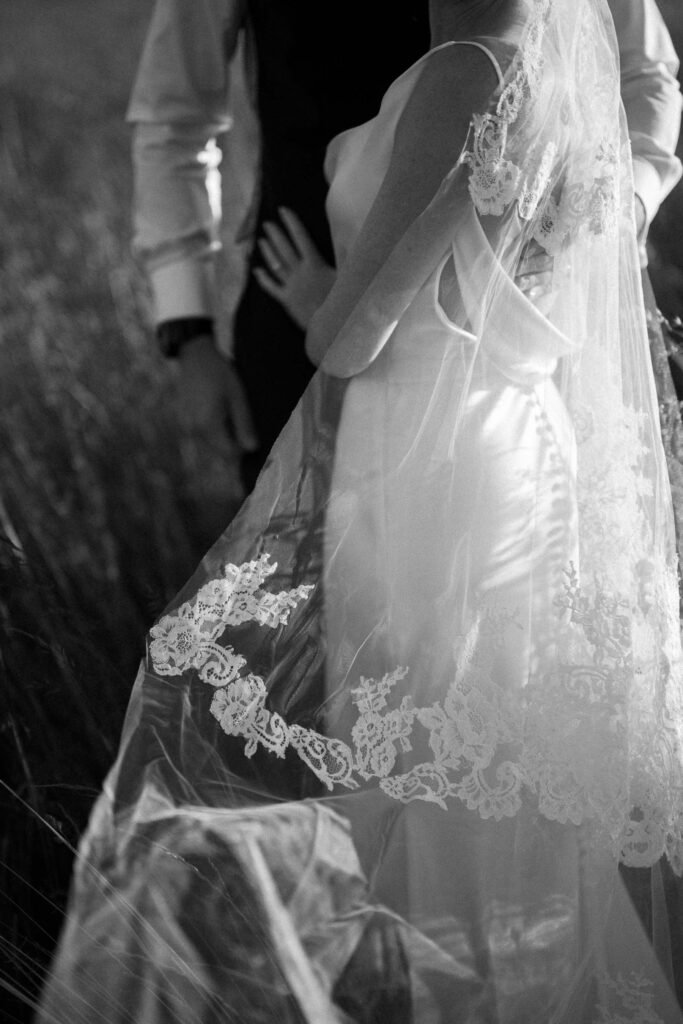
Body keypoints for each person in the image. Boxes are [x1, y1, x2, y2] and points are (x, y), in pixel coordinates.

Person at [38, 0, 683, 1020]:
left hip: (412, 460)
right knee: (485, 757)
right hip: (511, 436)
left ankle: (399, 981)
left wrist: (316, 303)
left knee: (410, 758)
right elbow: (177, 112)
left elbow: (354, 335)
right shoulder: (556, 79)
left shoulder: (461, 73)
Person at [128, 0, 682, 492]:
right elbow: (175, 117)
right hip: (294, 306)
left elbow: (642, 77)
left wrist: (587, 233)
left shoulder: (472, 65)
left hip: (482, 348)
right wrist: (190, 330)